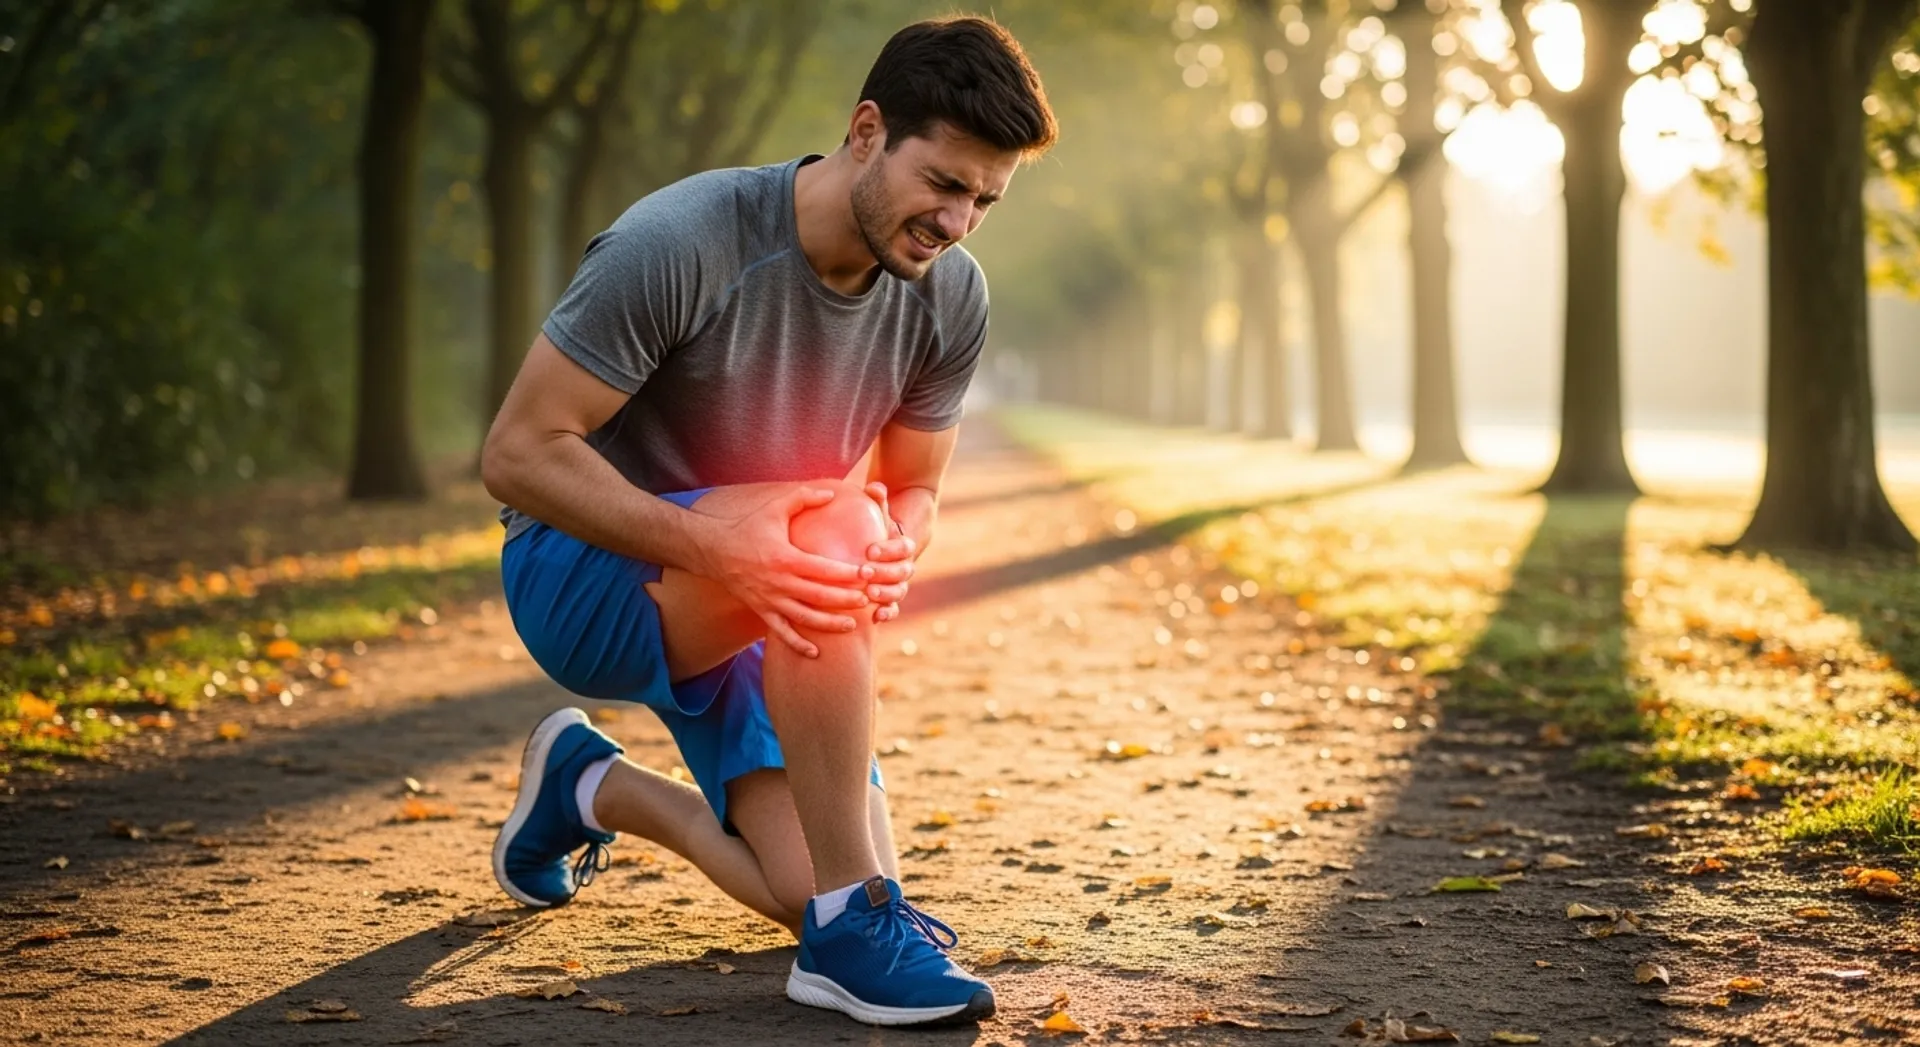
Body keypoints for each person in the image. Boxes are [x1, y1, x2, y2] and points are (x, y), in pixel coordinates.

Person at [476, 15, 1056, 1028]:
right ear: (867, 132)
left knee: (805, 879)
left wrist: (901, 544)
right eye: (944, 184)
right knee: (830, 533)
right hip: (584, 577)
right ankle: (853, 932)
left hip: (767, 597)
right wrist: (722, 544)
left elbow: (914, 488)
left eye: (984, 201)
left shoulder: (949, 298)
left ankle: (590, 786)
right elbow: (518, 456)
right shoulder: (681, 242)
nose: (958, 222)